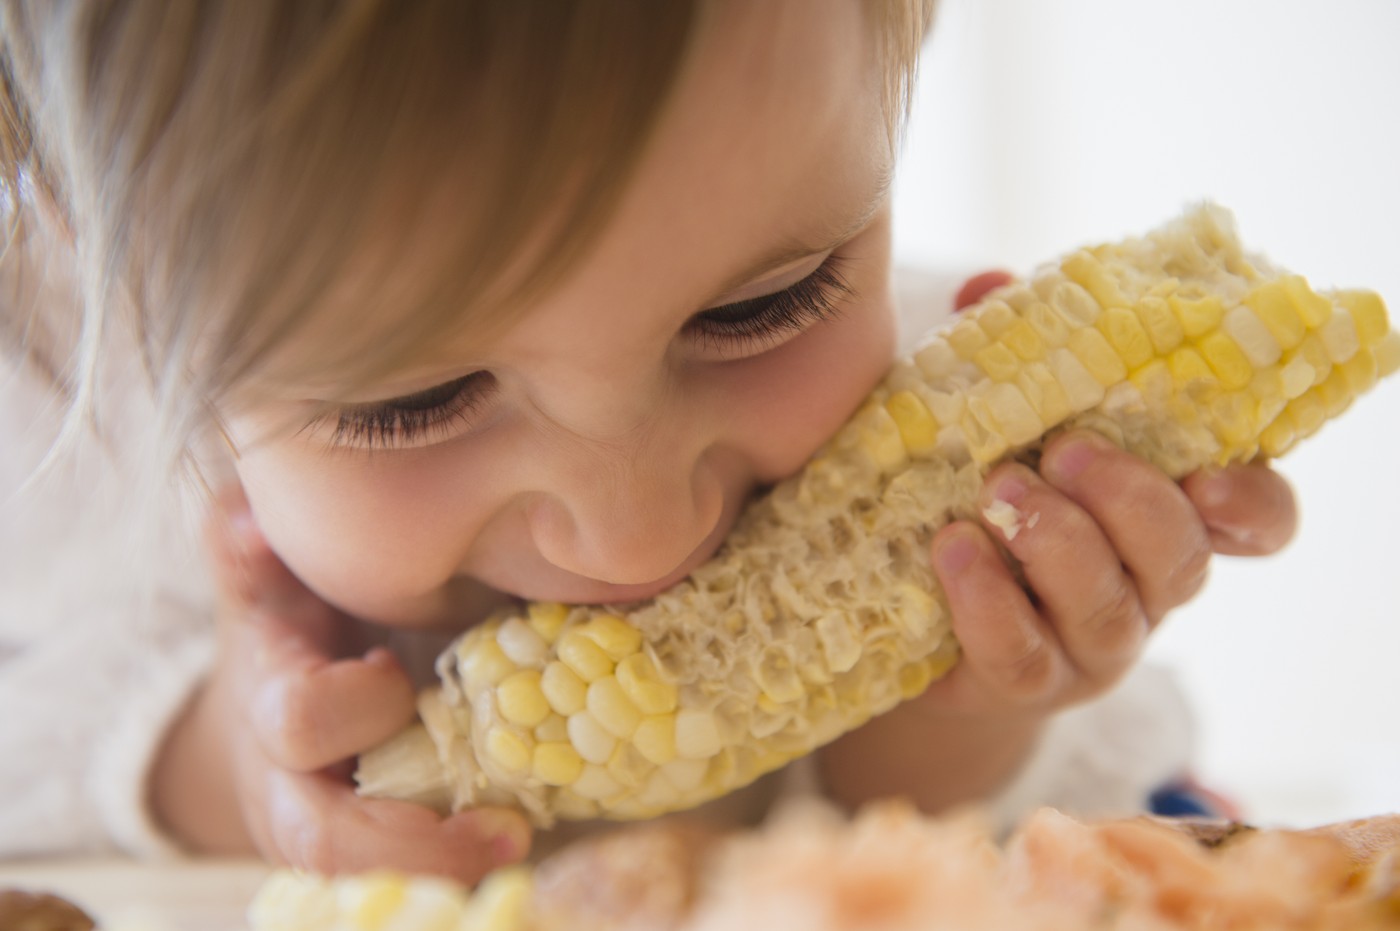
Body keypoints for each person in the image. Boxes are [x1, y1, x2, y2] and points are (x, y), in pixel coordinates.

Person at [0, 0, 1297, 885]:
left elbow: (1098, 821)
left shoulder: (922, 384)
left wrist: (964, 707)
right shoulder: (61, 451)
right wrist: (222, 764)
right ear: (112, 290)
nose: (639, 532)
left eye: (762, 309)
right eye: (411, 407)